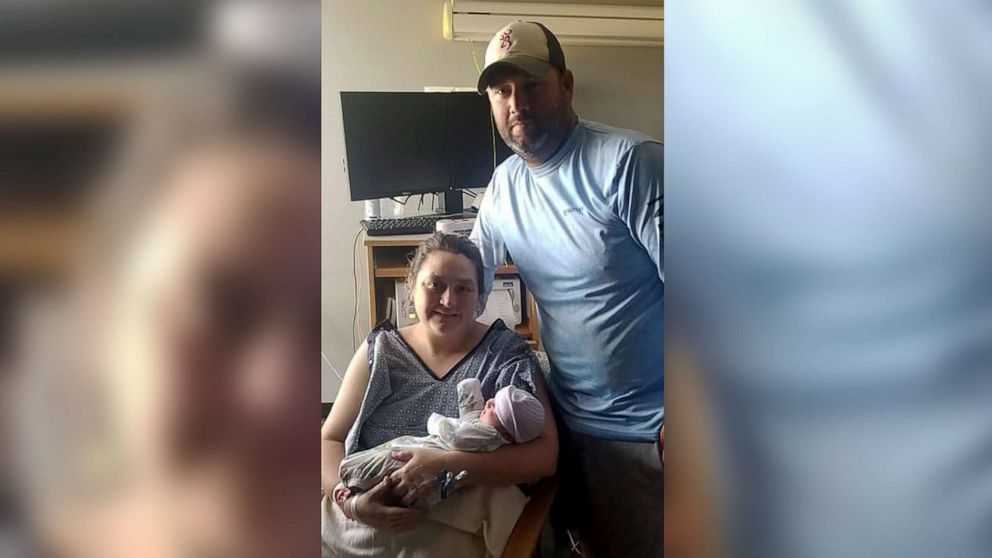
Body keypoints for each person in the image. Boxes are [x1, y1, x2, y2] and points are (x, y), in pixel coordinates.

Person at [470, 21, 664, 557]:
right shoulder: (504, 187)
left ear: (567, 85)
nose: (517, 103)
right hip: (565, 425)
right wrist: (397, 354)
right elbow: (466, 283)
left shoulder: (630, 162)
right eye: (502, 91)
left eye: (532, 85)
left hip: (650, 428)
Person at [321, 232, 558, 557]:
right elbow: (329, 439)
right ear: (411, 284)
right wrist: (353, 502)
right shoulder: (381, 351)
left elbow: (545, 454)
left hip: (452, 527)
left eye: (464, 288)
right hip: (363, 518)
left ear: (480, 295)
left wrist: (443, 465)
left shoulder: (504, 357)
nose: (448, 301)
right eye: (435, 285)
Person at [338, 377, 544, 493]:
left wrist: (435, 422)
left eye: (496, 409)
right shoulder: (489, 435)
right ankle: (353, 483)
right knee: (385, 457)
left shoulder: (486, 434)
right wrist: (469, 388)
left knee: (384, 460)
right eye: (492, 400)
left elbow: (455, 436)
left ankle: (350, 478)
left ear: (507, 432)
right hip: (423, 454)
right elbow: (470, 416)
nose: (489, 403)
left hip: (425, 454)